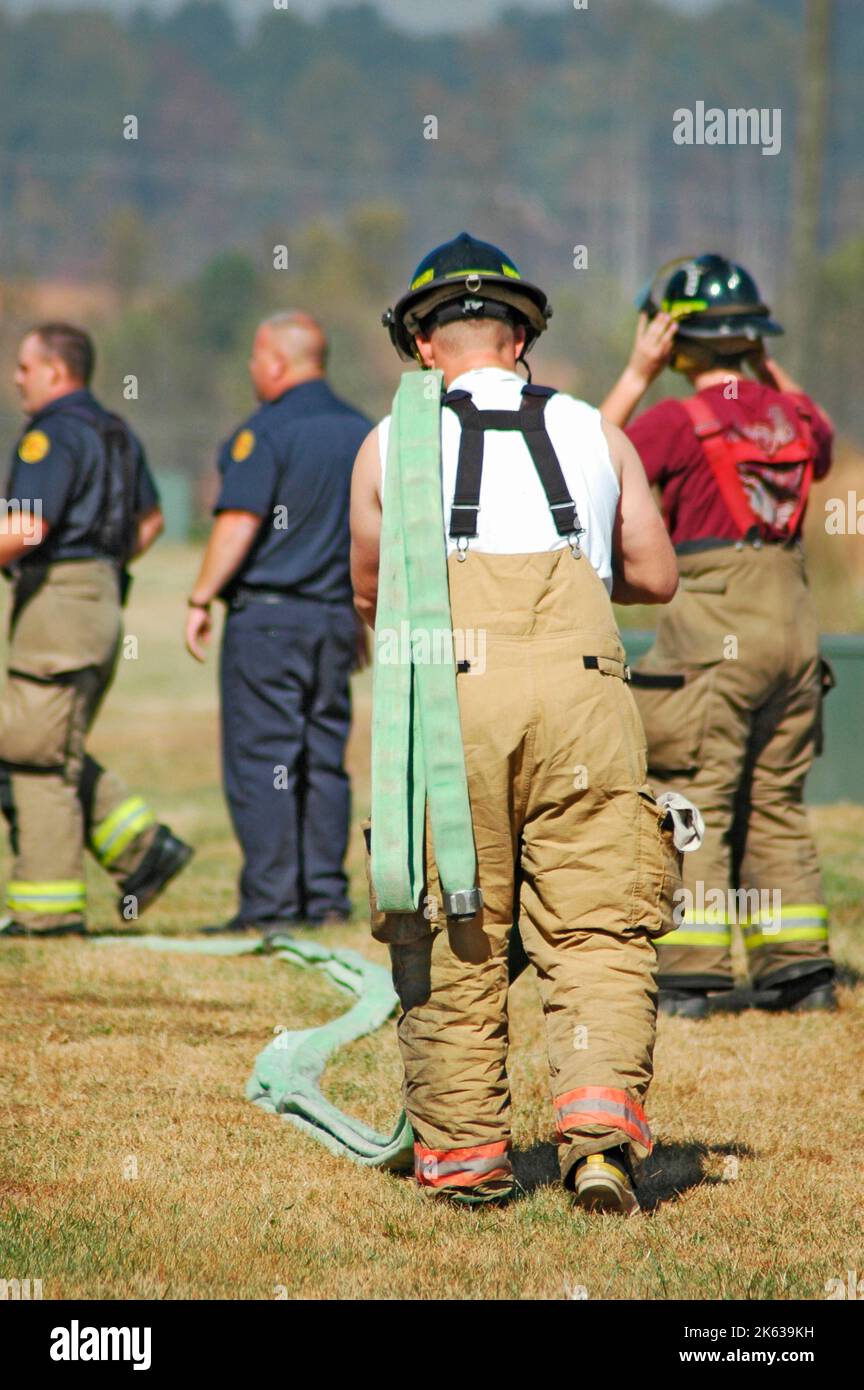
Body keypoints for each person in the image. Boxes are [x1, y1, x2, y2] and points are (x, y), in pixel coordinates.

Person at [351, 232, 681, 1213]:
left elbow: (369, 593)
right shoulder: (593, 427)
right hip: (585, 696)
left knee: (459, 922)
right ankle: (598, 1143)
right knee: (598, 930)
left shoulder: (390, 443)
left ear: (421, 344)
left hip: (452, 697)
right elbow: (656, 575)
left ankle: (467, 1162)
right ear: (521, 335)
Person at [601, 253, 837, 1017]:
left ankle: (693, 975)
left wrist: (637, 372)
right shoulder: (791, 416)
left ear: (674, 342)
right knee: (775, 799)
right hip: (795, 632)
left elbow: (585, 462)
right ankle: (799, 972)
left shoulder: (676, 420)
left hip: (717, 631)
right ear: (754, 341)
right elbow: (824, 440)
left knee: (697, 792)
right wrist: (767, 365)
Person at [0, 323, 192, 937]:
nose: (17, 378)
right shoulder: (115, 431)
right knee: (54, 741)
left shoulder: (49, 436)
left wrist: (73, 573)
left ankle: (48, 914)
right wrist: (101, 570)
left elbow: (25, 528)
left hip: (57, 605)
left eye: (25, 368)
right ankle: (142, 849)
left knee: (34, 758)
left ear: (56, 372)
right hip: (100, 600)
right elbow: (153, 520)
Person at [186, 312, 371, 936]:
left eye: (254, 358)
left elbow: (238, 521)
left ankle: (268, 904)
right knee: (322, 758)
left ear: (275, 361)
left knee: (263, 757)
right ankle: (323, 896)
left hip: (268, 621)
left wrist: (201, 596)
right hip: (335, 620)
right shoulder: (365, 432)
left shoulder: (264, 432)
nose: (250, 370)